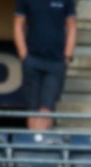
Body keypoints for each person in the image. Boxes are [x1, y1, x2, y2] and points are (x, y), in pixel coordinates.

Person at [13, 0, 77, 130]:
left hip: (56, 62)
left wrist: (68, 56)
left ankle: (41, 145)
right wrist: (24, 55)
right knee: (33, 108)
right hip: (33, 60)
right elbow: (18, 24)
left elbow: (72, 26)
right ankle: (33, 145)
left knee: (46, 107)